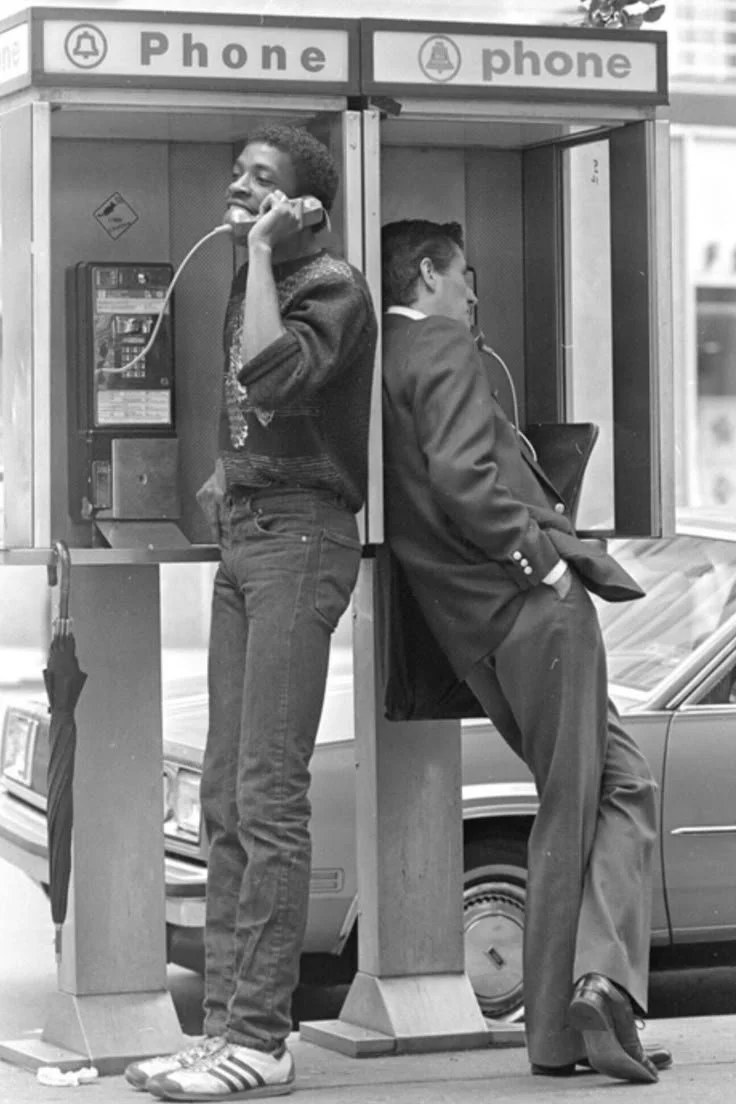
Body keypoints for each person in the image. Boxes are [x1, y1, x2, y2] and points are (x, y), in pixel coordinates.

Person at [379, 219, 672, 1083]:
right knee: (571, 813)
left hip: (471, 630)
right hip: (530, 613)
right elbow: (465, 478)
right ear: (429, 274)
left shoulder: (388, 358)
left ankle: (600, 994)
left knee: (626, 785)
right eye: (465, 274)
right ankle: (564, 1020)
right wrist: (540, 562)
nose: (474, 293)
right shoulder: (445, 347)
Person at [125, 125, 377, 1101]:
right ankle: (224, 1029)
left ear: (304, 205)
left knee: (268, 797)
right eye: (239, 172)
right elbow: (260, 410)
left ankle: (262, 1039)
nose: (239, 185)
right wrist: (224, 473)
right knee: (227, 797)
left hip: (301, 540)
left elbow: (274, 376)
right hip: (250, 530)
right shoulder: (258, 273)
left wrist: (266, 256)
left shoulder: (330, 284)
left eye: (262, 179)